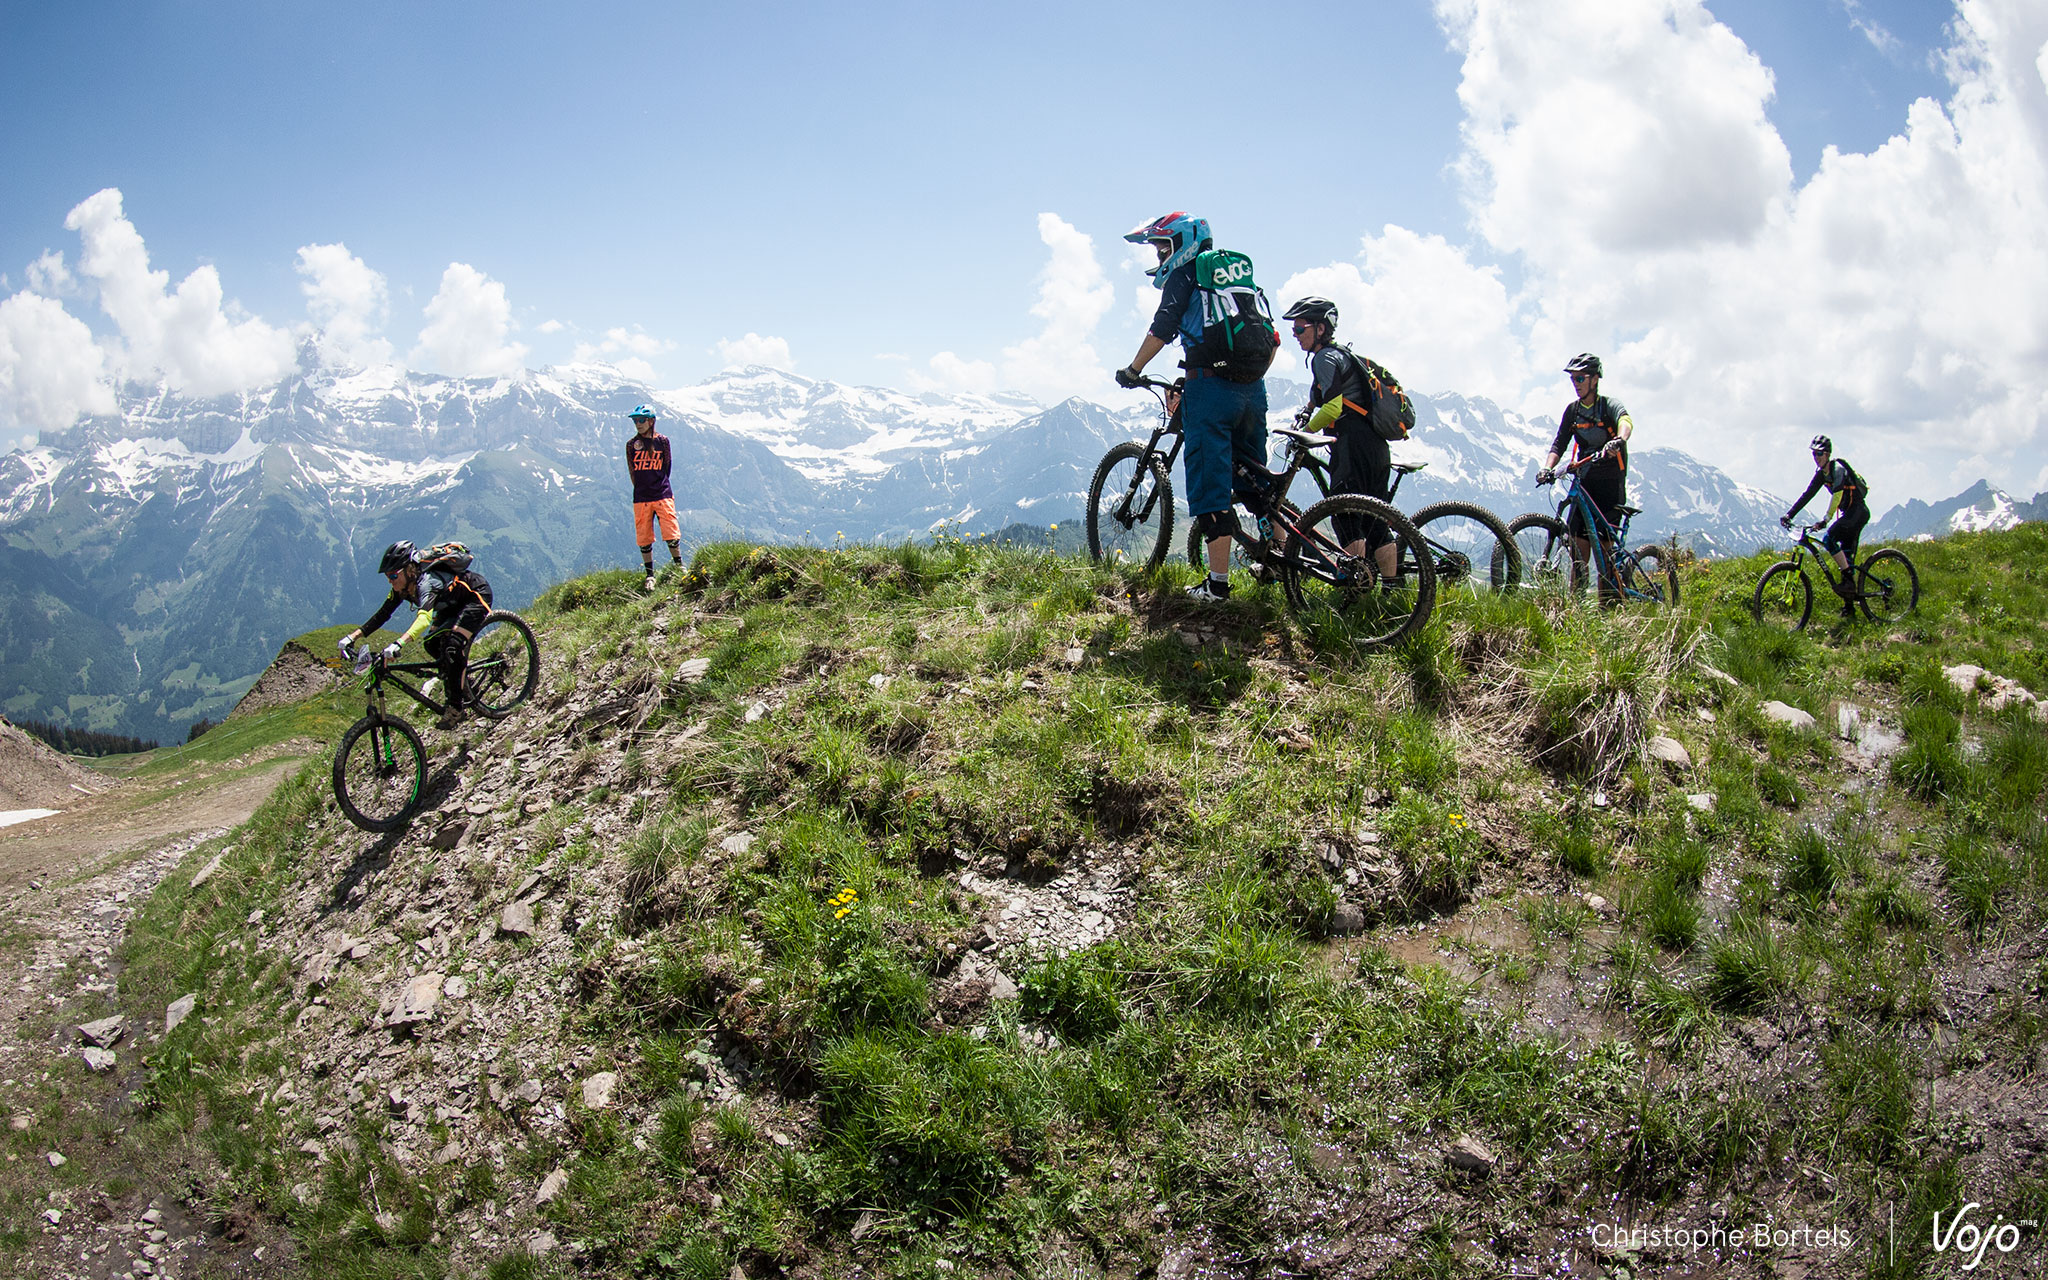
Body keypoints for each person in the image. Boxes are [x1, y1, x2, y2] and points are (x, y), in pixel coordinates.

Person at [1115, 211, 1270, 603]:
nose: (1159, 255)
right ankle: (1275, 563)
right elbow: (1272, 340)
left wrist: (1134, 369)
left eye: (1162, 246)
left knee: (1209, 486)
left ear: (1181, 245)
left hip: (1211, 397)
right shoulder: (1234, 282)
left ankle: (1217, 586)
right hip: (1254, 390)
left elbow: (1162, 328)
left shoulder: (1185, 278)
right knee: (1258, 483)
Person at [1281, 296, 1398, 584]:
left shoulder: (1323, 358)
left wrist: (1306, 430)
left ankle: (1355, 587)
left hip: (1351, 444)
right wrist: (1307, 412)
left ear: (1320, 329)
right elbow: (1321, 398)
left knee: (1344, 516)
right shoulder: (1340, 354)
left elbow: (1333, 408)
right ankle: (1392, 590)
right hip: (1376, 446)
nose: (1295, 336)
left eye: (1299, 329)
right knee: (1375, 521)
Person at [338, 540, 494, 729]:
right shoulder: (402, 588)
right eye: (388, 577)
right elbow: (382, 615)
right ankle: (462, 682)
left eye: (394, 575)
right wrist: (351, 638)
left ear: (409, 570)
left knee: (453, 646)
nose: (390, 580)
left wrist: (398, 643)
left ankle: (456, 709)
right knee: (431, 644)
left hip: (475, 597)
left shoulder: (426, 584)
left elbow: (423, 620)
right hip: (451, 606)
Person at [1537, 353, 1634, 601]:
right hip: (1584, 482)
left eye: (1580, 378)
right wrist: (1547, 468)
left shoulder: (1607, 406)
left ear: (1594, 379)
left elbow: (1625, 420)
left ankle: (1608, 610)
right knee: (1579, 554)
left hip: (1610, 485)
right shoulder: (1573, 411)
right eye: (1573, 379)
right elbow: (1559, 443)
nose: (1576, 383)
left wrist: (1619, 440)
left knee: (1605, 554)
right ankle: (1575, 611)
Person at [1782, 435, 1870, 619]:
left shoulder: (1837, 469)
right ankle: (1850, 607)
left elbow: (1837, 495)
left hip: (1858, 513)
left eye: (1819, 453)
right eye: (1814, 454)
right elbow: (1807, 495)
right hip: (1849, 515)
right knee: (1845, 558)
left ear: (1828, 453)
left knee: (1829, 538)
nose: (1816, 457)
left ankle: (1848, 580)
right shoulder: (1821, 474)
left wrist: (1826, 519)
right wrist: (1790, 514)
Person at [627, 404, 683, 590]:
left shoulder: (663, 441)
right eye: (635, 420)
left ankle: (678, 566)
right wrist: (643, 487)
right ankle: (649, 575)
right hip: (642, 496)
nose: (638, 423)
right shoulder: (631, 445)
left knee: (670, 530)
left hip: (662, 493)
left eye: (641, 420)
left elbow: (667, 467)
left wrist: (658, 483)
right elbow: (632, 472)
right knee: (643, 536)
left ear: (651, 421)